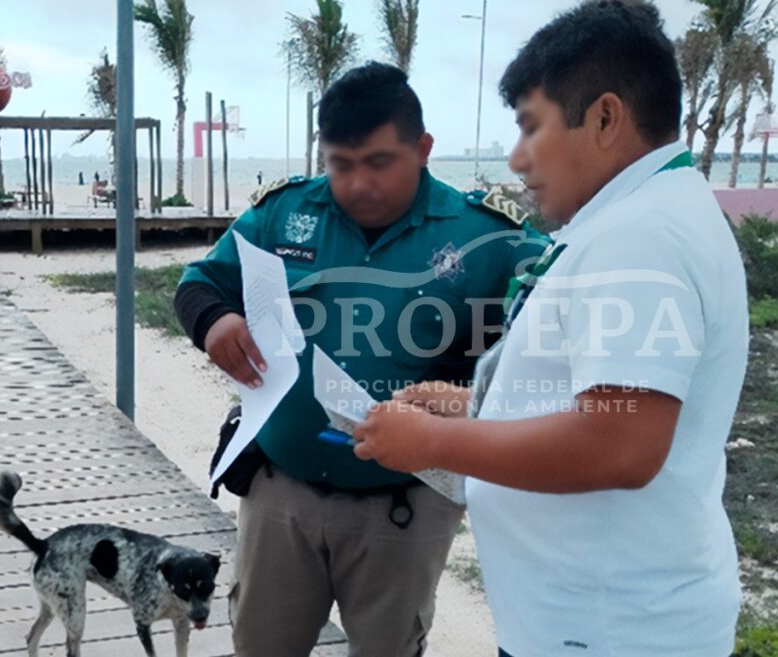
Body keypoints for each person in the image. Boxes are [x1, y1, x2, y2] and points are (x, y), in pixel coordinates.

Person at [353, 0, 749, 657]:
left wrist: (433, 443)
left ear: (604, 118)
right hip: (597, 624)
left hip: (609, 633)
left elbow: (620, 444)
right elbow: (598, 396)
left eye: (531, 128)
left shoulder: (640, 236)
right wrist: (474, 407)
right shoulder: (643, 216)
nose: (516, 160)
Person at [173, 62, 544, 656]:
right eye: (340, 164)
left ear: (423, 149)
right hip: (280, 493)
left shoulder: (489, 237)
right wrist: (215, 321)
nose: (357, 184)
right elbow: (200, 282)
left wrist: (469, 397)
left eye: (379, 162)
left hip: (405, 506)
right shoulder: (285, 212)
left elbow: (554, 325)